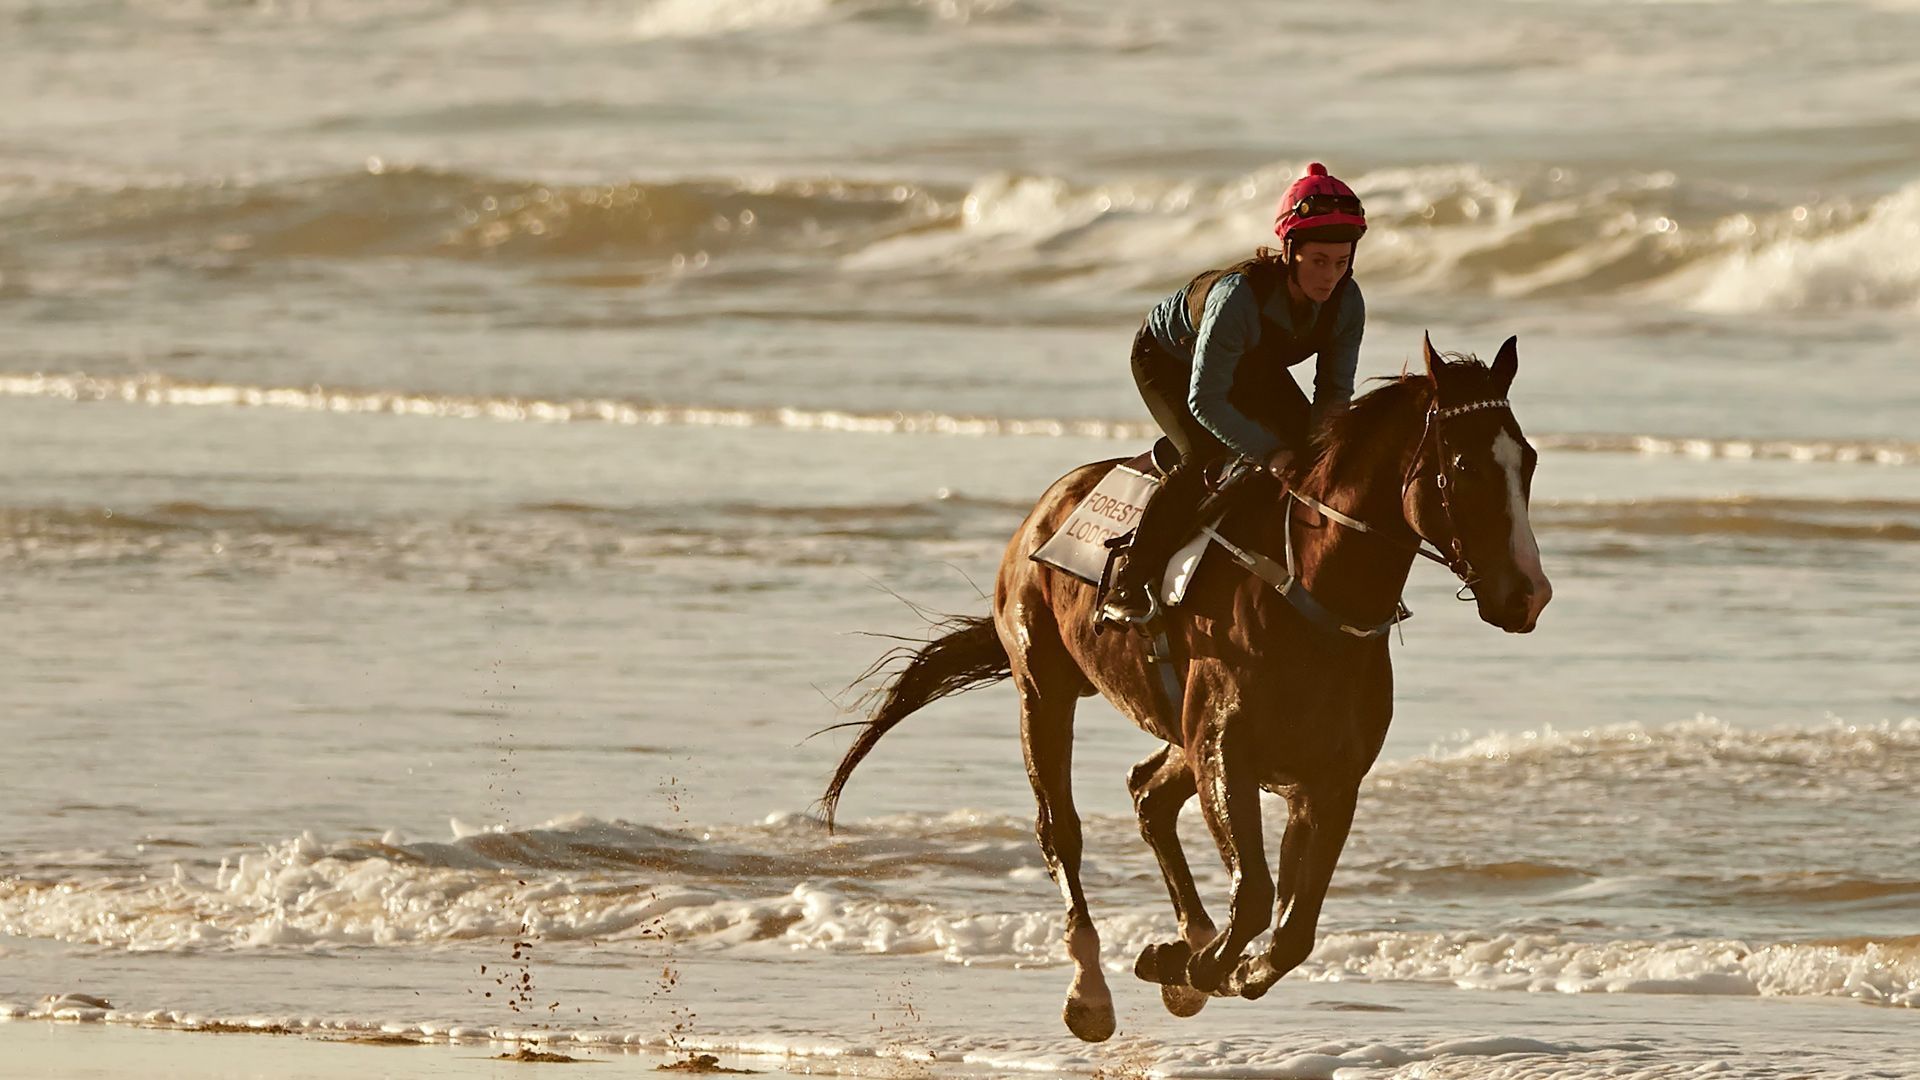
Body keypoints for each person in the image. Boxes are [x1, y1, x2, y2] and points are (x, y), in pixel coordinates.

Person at [1098, 162, 1368, 626]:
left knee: (1312, 450)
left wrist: (1318, 453)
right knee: (1203, 453)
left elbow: (1333, 395)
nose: (1330, 277)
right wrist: (1270, 454)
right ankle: (1131, 583)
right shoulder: (1237, 298)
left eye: (1341, 263)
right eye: (1318, 261)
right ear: (1290, 252)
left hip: (1248, 365)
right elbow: (1205, 399)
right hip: (1168, 360)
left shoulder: (1347, 302)